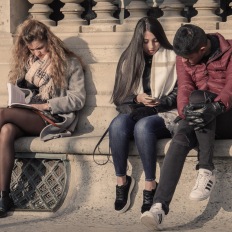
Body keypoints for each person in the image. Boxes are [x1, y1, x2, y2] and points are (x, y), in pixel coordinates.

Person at [140, 24, 232, 230]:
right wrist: (185, 112)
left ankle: (206, 169)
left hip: (227, 116)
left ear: (201, 49)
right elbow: (184, 88)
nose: (185, 61)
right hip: (201, 119)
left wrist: (216, 106)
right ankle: (159, 207)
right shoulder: (183, 57)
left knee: (199, 98)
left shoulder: (230, 51)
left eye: (189, 58)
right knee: (181, 133)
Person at [0, 18, 86, 217]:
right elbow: (24, 93)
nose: (37, 53)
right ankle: (4, 195)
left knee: (3, 113)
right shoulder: (28, 65)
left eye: (40, 48)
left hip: (53, 117)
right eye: (32, 50)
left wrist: (46, 104)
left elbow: (78, 99)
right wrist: (23, 99)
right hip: (29, 114)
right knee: (6, 130)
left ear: (50, 41)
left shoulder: (68, 63)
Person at [109, 16, 178, 214]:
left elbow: (181, 91)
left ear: (161, 38)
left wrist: (160, 101)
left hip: (164, 112)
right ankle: (122, 181)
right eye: (146, 41)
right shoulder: (129, 58)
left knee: (143, 127)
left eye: (155, 40)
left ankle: (150, 185)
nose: (151, 46)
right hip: (137, 109)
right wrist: (137, 98)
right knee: (117, 125)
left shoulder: (173, 56)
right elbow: (119, 96)